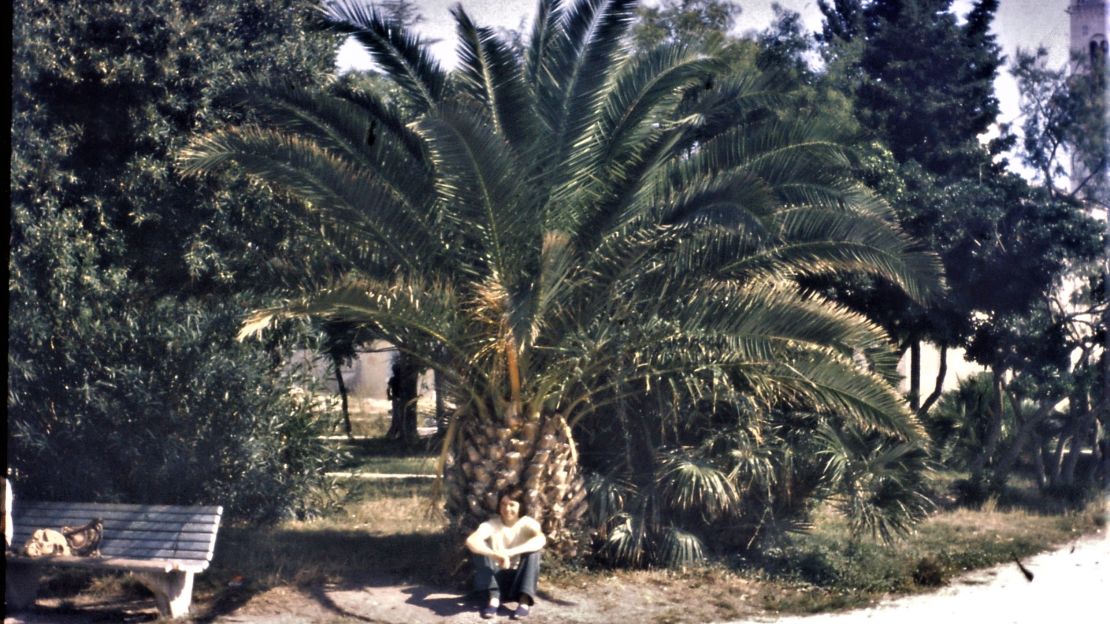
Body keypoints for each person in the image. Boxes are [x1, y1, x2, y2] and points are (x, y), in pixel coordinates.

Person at [465, 492, 546, 620]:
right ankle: (494, 600)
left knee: (534, 552)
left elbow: (541, 540)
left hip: (518, 582)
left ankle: (524, 602)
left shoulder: (528, 523)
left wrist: (509, 553)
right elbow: (471, 541)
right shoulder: (491, 524)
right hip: (494, 580)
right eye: (503, 504)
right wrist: (495, 555)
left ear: (520, 507)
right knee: (480, 550)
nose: (507, 508)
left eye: (512, 505)